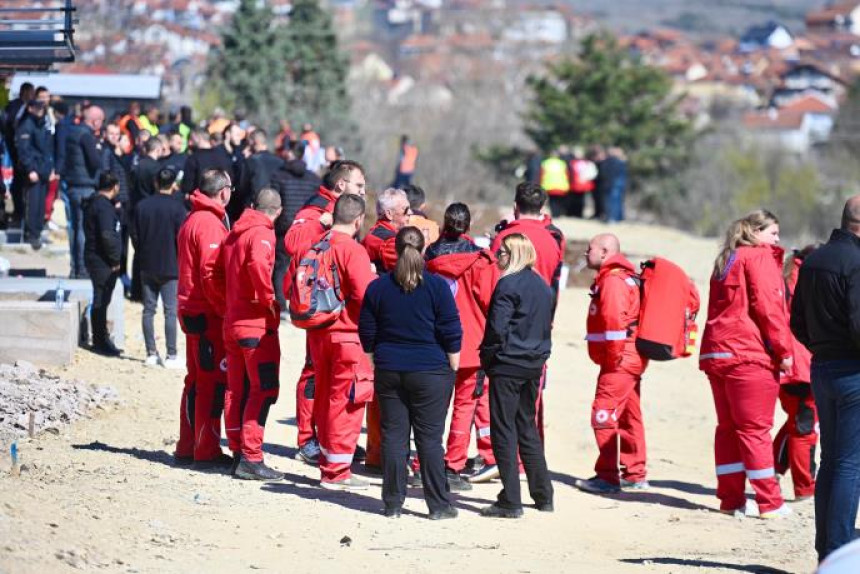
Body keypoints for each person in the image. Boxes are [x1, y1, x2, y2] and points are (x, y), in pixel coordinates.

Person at [360, 226, 462, 518]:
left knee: (394, 437)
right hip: (431, 370)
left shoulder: (378, 287)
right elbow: (451, 329)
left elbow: (367, 330)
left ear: (394, 249)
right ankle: (438, 505)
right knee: (429, 439)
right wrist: (453, 365)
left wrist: (375, 360)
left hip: (390, 367)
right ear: (424, 247)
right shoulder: (437, 286)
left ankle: (393, 504)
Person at [699, 209, 793, 519]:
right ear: (755, 231)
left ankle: (731, 499)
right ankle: (770, 503)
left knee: (728, 429)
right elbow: (768, 308)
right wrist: (784, 351)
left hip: (717, 353)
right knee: (755, 430)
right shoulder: (759, 257)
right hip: (747, 354)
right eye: (773, 233)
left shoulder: (726, 259)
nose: (777, 240)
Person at [283, 160, 366, 464]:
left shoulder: (344, 210)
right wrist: (322, 223)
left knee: (332, 379)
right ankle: (308, 440)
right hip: (318, 306)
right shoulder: (317, 209)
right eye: (359, 186)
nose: (363, 192)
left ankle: (331, 439)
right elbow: (292, 242)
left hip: (336, 308)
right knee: (313, 373)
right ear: (341, 185)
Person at [791, 196, 860, 561]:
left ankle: (827, 552)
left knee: (833, 461)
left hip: (822, 367)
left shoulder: (815, 259)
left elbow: (797, 322)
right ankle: (838, 554)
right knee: (849, 463)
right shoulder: (856, 262)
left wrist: (822, 346)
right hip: (852, 371)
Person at [478, 233, 554, 518]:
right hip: (533, 363)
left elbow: (496, 328)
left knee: (503, 430)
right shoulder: (543, 286)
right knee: (526, 427)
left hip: (508, 363)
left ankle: (511, 500)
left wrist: (487, 359)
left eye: (501, 253)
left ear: (513, 255)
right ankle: (543, 495)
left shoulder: (507, 284)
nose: (497, 257)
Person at [425, 203, 498, 490]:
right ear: (468, 226)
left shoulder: (429, 256)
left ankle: (425, 463)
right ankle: (452, 466)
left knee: (432, 407)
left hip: (435, 342)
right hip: (470, 345)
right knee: (464, 408)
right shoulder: (480, 260)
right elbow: (491, 302)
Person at [308, 194, 375, 490]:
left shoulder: (317, 245)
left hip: (319, 332)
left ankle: (328, 462)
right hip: (347, 334)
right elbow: (365, 295)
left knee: (325, 398)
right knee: (347, 401)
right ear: (358, 220)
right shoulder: (352, 249)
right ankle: (336, 472)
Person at [574, 233, 650, 494]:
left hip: (620, 360)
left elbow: (615, 322)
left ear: (605, 252)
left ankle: (607, 477)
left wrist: (613, 359)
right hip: (630, 358)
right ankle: (635, 474)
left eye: (590, 249)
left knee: (603, 413)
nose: (586, 253)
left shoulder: (614, 281)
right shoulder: (622, 278)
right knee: (629, 416)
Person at [217, 188, 283, 480]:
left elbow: (218, 272)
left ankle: (237, 451)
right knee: (263, 389)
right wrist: (268, 300)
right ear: (278, 212)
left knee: (236, 388)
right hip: (255, 325)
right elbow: (258, 264)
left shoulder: (234, 233)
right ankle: (251, 456)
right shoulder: (262, 233)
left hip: (232, 321)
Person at [175, 169, 233, 468]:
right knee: (210, 384)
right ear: (223, 192)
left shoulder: (193, 218)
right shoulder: (208, 223)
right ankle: (205, 450)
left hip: (191, 309)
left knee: (196, 381)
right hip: (206, 313)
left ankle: (189, 446)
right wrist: (225, 310)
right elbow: (211, 274)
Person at [361, 187, 412, 472]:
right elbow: (411, 267)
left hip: (382, 319)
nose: (410, 215)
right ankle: (380, 455)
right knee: (387, 393)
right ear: (390, 214)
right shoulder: (385, 240)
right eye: (406, 211)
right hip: (387, 323)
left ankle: (377, 452)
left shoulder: (378, 235)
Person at [132, 168, 187, 368]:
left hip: (147, 264)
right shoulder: (178, 208)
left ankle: (151, 353)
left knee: (148, 310)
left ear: (156, 183)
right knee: (170, 311)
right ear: (173, 185)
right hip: (170, 266)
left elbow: (135, 236)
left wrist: (142, 253)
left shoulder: (142, 206)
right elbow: (182, 239)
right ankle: (171, 355)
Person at [269, 141, 321, 311]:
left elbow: (275, 201)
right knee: (306, 265)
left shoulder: (278, 176)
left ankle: (281, 303)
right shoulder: (314, 179)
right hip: (307, 226)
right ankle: (303, 302)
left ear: (291, 153)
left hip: (284, 226)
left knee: (281, 266)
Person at [84, 173, 123, 357]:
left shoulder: (96, 203)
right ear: (114, 186)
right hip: (101, 261)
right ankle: (100, 340)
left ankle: (101, 338)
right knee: (100, 299)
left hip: (96, 257)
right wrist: (115, 260)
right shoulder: (103, 207)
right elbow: (107, 235)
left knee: (102, 299)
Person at [63, 106, 105, 279]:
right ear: (95, 121)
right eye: (101, 121)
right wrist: (100, 150)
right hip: (86, 186)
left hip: (72, 185)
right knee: (84, 229)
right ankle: (82, 268)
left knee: (74, 227)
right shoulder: (87, 136)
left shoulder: (71, 132)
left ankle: (75, 267)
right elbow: (95, 162)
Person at [15, 100, 54, 250]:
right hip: (33, 171)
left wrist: (49, 169)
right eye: (37, 108)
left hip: (42, 169)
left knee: (40, 205)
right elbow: (24, 150)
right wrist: (30, 169)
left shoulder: (42, 124)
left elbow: (47, 149)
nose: (40, 110)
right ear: (30, 108)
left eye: (42, 108)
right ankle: (31, 234)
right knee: (32, 204)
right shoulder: (26, 124)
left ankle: (37, 232)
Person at [3, 82, 35, 225]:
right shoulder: (16, 107)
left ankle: (22, 213)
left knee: (22, 184)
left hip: (20, 150)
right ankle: (19, 212)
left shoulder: (26, 106)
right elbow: (9, 126)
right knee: (18, 183)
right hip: (15, 149)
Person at [236, 129, 283, 219]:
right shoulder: (280, 162)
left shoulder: (251, 161)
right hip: (275, 210)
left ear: (254, 142)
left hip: (256, 209)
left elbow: (242, 188)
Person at [180, 128, 234, 199]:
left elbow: (187, 187)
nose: (189, 143)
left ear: (198, 138)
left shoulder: (193, 158)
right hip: (221, 201)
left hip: (200, 201)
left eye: (191, 139)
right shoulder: (224, 156)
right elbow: (230, 181)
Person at [568, 147, 597, 218]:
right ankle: (575, 213)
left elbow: (591, 173)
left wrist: (585, 178)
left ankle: (579, 213)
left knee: (581, 200)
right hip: (575, 185)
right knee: (575, 200)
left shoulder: (587, 163)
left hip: (582, 185)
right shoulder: (572, 162)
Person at [603, 147, 628, 223]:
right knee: (617, 201)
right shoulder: (621, 162)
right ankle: (617, 218)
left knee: (614, 202)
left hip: (614, 184)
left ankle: (613, 218)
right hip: (617, 184)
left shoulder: (614, 162)